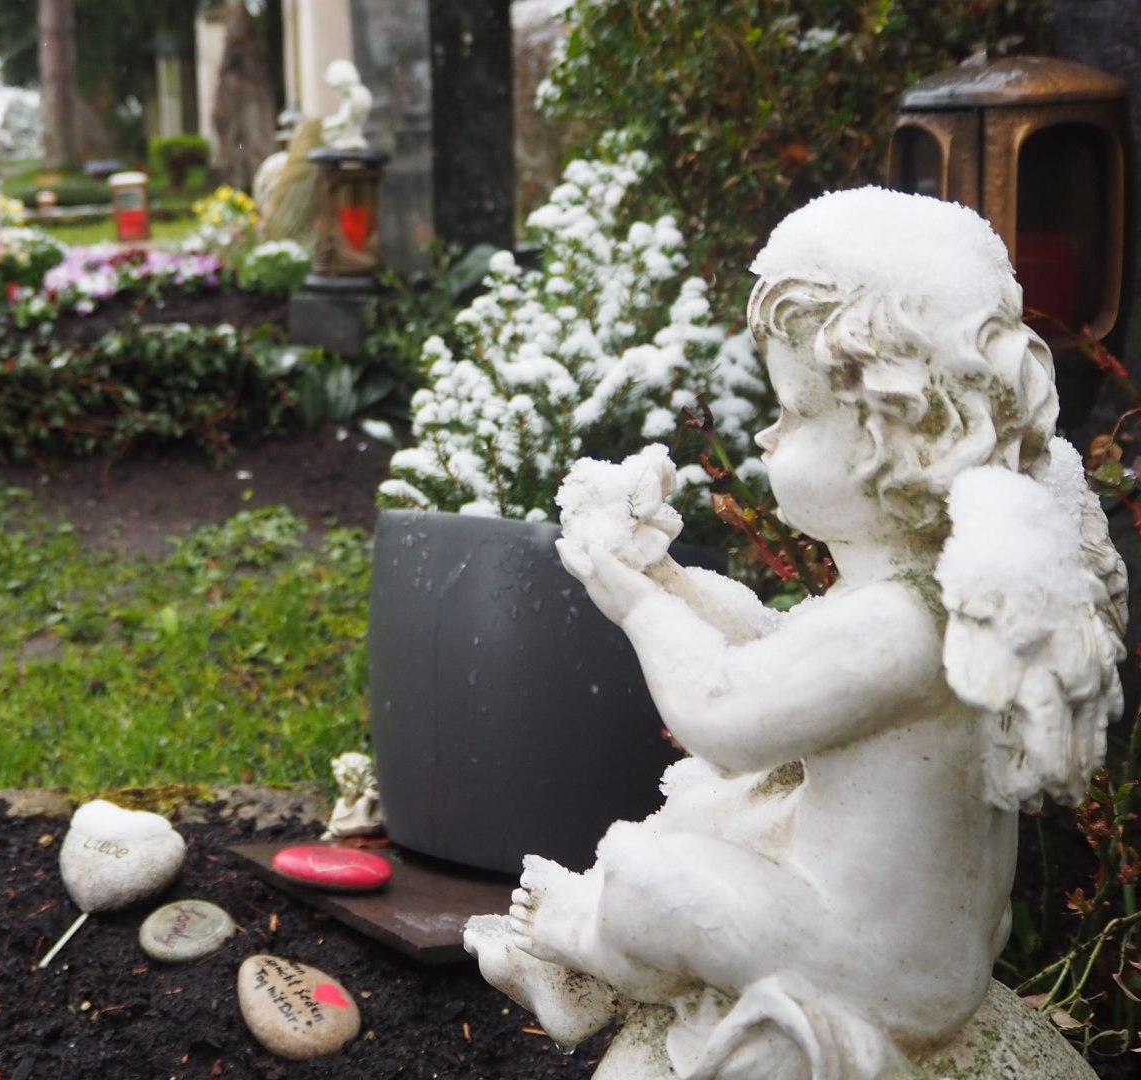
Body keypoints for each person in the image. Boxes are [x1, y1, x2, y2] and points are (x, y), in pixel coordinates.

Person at [464, 187, 1126, 1079]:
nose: (769, 438)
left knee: (650, 875)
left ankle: (577, 953)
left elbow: (726, 715)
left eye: (797, 414)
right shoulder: (914, 596)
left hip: (877, 965)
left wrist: (638, 601)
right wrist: (671, 579)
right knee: (705, 820)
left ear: (894, 437)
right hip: (896, 937)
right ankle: (582, 973)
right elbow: (777, 648)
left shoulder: (903, 626)